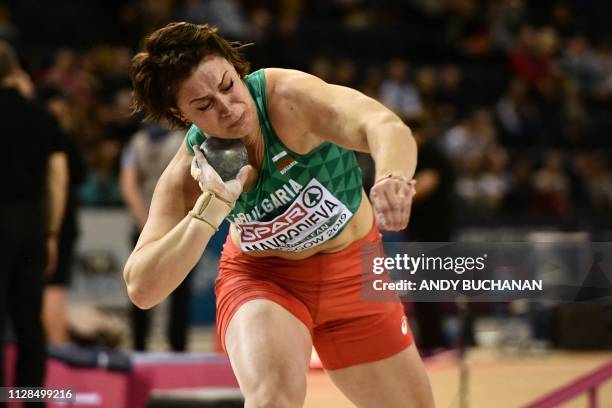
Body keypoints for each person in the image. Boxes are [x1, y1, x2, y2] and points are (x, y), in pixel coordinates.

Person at [124, 22, 434, 407]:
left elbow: (384, 124)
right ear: (179, 113)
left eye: (227, 86)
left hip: (355, 273)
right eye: (203, 106)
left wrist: (392, 176)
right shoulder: (189, 169)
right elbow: (141, 288)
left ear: (238, 69)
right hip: (265, 279)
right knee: (273, 400)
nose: (228, 108)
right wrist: (209, 211)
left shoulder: (289, 100)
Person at [0, 41, 68, 404]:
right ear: (15, 71)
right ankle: (32, 399)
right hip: (30, 222)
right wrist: (52, 232)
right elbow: (58, 178)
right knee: (29, 321)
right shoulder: (42, 117)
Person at [120, 123, 192, 351]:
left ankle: (140, 346)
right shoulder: (184, 140)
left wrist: (144, 222)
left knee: (142, 287)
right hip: (179, 226)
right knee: (179, 289)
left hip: (145, 226)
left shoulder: (136, 142)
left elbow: (128, 185)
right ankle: (177, 348)